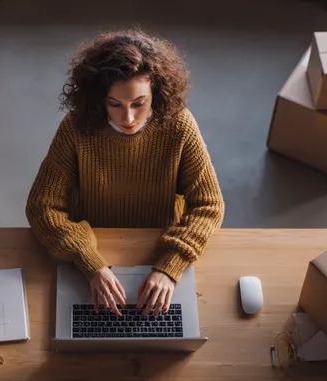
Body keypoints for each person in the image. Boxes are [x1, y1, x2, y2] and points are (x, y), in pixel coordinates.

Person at [25, 28, 225, 318]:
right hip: (94, 252)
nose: (128, 118)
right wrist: (90, 263)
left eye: (139, 104)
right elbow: (41, 206)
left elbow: (209, 204)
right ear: (98, 98)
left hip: (159, 247)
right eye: (115, 104)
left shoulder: (179, 125)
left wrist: (170, 267)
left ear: (156, 93)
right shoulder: (75, 128)